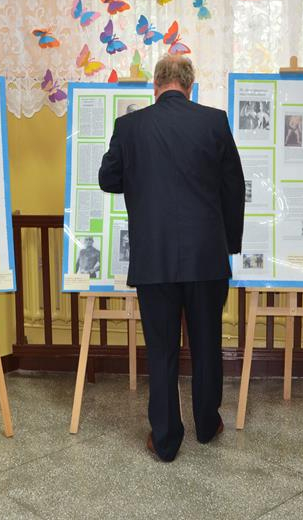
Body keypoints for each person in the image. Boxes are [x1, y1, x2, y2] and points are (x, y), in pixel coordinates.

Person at [99, 55, 245, 462]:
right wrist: (229, 244)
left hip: (153, 259)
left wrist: (142, 179)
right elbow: (234, 187)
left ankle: (165, 440)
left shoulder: (130, 127)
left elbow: (107, 179)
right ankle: (207, 425)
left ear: (155, 86)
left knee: (161, 349)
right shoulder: (214, 122)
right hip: (206, 258)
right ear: (190, 87)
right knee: (206, 344)